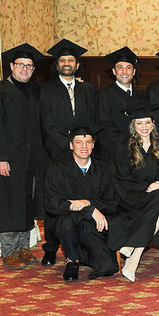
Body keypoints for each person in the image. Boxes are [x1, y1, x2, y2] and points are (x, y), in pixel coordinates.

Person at [0, 43, 46, 269]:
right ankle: (9, 251)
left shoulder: (36, 91)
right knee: (8, 203)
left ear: (33, 69)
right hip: (7, 160)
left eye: (29, 66)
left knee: (26, 203)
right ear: (11, 66)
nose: (25, 69)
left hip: (31, 159)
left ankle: (23, 248)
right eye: (20, 65)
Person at [40, 38, 97, 266]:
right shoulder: (46, 90)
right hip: (56, 153)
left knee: (81, 200)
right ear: (57, 65)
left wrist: (82, 147)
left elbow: (92, 120)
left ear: (77, 64)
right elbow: (46, 123)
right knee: (56, 204)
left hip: (83, 154)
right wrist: (67, 146)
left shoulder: (87, 89)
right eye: (62, 60)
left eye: (70, 60)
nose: (66, 63)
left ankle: (82, 245)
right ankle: (50, 248)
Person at [44, 125, 119, 282]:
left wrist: (87, 203)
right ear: (71, 145)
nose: (84, 146)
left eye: (88, 142)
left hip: (93, 227)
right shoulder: (57, 169)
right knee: (66, 219)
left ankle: (82, 255)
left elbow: (113, 203)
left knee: (109, 267)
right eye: (79, 142)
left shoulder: (104, 169)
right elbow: (52, 204)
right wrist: (89, 209)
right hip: (67, 225)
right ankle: (72, 260)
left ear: (93, 145)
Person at [108, 102, 159, 281]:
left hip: (158, 194)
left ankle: (134, 253)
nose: (144, 127)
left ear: (153, 124)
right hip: (132, 197)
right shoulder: (124, 147)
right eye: (139, 123)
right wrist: (145, 188)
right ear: (133, 126)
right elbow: (120, 178)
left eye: (148, 122)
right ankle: (134, 254)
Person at [96, 47, 146, 162]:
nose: (124, 72)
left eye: (128, 67)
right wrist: (128, 145)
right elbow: (104, 126)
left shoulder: (142, 95)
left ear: (134, 72)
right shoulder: (104, 94)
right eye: (120, 67)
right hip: (114, 154)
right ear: (114, 71)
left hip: (140, 152)